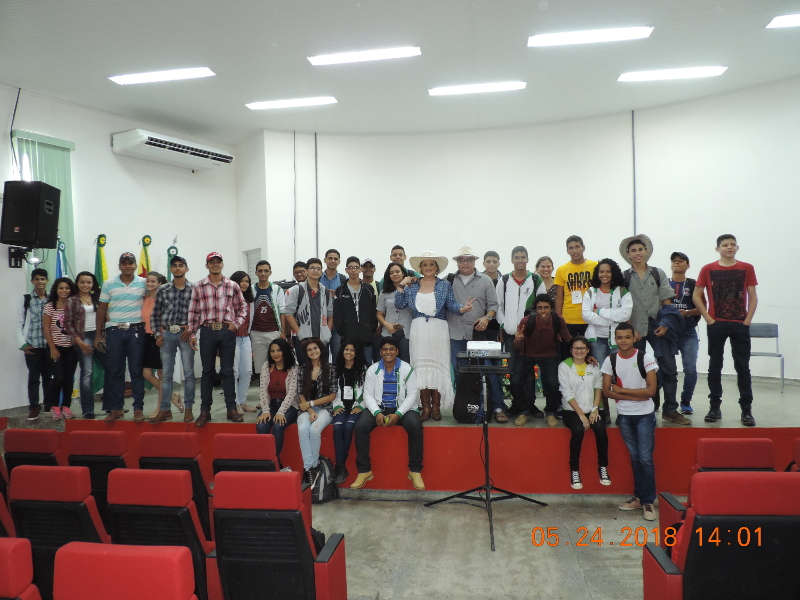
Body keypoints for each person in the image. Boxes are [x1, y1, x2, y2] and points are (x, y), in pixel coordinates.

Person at [395, 251, 474, 421]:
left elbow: (452, 305)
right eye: (425, 264)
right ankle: (426, 407)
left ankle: (436, 406)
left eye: (432, 264)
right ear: (420, 268)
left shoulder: (444, 285)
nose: (428, 267)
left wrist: (463, 308)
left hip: (438, 329)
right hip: (418, 330)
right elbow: (399, 304)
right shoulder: (412, 285)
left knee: (437, 367)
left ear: (437, 268)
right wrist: (402, 285)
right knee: (421, 368)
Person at [619, 235, 690, 426]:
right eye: (633, 250)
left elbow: (667, 303)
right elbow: (622, 306)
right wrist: (629, 329)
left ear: (646, 251)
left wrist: (666, 324)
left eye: (640, 249)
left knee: (669, 369)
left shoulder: (658, 274)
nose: (637, 253)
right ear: (628, 254)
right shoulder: (624, 277)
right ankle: (637, 410)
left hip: (659, 327)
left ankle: (670, 410)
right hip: (635, 329)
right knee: (635, 372)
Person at [693, 234, 758, 427]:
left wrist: (748, 320)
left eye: (732, 244)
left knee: (743, 367)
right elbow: (697, 295)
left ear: (737, 247)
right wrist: (708, 318)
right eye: (725, 245)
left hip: (740, 323)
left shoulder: (747, 268)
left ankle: (746, 410)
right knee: (715, 366)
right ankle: (714, 407)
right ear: (717, 249)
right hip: (717, 324)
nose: (729, 247)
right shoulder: (708, 269)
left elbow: (753, 296)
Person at [351, 336, 424, 490]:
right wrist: (377, 412)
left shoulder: (407, 369)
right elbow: (368, 395)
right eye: (385, 349)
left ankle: (415, 470)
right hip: (379, 407)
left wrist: (398, 414)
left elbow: (412, 395)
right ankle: (364, 471)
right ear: (380, 352)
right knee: (361, 426)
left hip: (403, 408)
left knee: (415, 425)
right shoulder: (373, 369)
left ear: (397, 351)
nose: (388, 352)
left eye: (391, 349)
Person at [602, 323, 658, 522]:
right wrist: (635, 396)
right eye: (619, 337)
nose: (623, 341)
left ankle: (648, 501)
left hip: (645, 415)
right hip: (624, 416)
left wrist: (622, 391)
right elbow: (607, 391)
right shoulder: (610, 360)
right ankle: (639, 498)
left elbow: (651, 391)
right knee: (635, 458)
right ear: (615, 339)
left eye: (627, 337)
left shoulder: (646, 358)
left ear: (635, 337)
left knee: (645, 458)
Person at [187, 252, 248, 427]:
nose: (215, 264)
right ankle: (205, 411)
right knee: (207, 372)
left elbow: (243, 307)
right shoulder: (199, 286)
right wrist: (192, 334)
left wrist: (236, 324)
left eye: (218, 262)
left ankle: (231, 408)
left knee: (228, 371)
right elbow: (193, 311)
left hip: (226, 331)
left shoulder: (232, 285)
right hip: (207, 331)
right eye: (211, 262)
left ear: (222, 264)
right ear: (207, 265)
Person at [446, 247, 501, 420]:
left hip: (477, 335)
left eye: (468, 259)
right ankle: (464, 407)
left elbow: (493, 305)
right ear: (457, 262)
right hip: (455, 334)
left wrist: (487, 318)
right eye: (461, 260)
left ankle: (497, 407)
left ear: (474, 261)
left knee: (487, 370)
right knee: (460, 373)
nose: (465, 263)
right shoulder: (449, 280)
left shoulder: (485, 280)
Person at [95, 252, 147, 423]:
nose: (127, 266)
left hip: (136, 331)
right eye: (124, 263)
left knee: (136, 371)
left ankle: (138, 409)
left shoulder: (144, 283)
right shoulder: (109, 284)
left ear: (135, 265)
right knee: (115, 371)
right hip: (114, 331)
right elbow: (101, 310)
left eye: (130, 263)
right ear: (119, 266)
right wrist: (98, 335)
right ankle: (116, 409)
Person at [582, 259, 633, 423]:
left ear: (614, 273)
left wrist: (600, 311)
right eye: (601, 271)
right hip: (596, 340)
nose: (604, 274)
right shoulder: (591, 292)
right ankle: (604, 412)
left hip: (617, 341)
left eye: (608, 271)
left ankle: (623, 412)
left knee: (620, 377)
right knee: (600, 376)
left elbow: (625, 314)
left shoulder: (622, 291)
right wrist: (611, 319)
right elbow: (586, 315)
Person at [494, 246, 542, 416]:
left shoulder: (535, 280)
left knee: (529, 371)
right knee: (513, 371)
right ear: (512, 260)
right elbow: (497, 305)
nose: (520, 260)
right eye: (516, 257)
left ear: (527, 259)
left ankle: (530, 405)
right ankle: (517, 404)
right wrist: (505, 325)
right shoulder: (505, 280)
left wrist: (531, 327)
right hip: (510, 335)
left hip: (530, 335)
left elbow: (542, 306)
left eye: (523, 257)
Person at [149, 255, 196, 424]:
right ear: (171, 269)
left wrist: (191, 329)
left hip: (185, 334)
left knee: (189, 374)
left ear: (186, 269)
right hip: (167, 334)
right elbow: (155, 314)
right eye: (174, 265)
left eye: (181, 265)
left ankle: (188, 409)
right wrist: (157, 334)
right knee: (166, 374)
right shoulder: (163, 289)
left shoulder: (194, 289)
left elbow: (198, 313)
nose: (177, 268)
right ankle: (164, 410)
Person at [512, 294, 571, 427]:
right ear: (535, 309)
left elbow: (568, 338)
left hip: (549, 354)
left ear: (552, 309)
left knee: (553, 383)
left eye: (546, 307)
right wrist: (518, 340)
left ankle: (550, 412)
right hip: (526, 354)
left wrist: (584, 351)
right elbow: (516, 347)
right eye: (539, 308)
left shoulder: (558, 320)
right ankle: (523, 411)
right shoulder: (526, 321)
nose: (543, 311)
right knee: (515, 382)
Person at [559, 336, 609, 490]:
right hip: (572, 410)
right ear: (570, 350)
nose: (579, 351)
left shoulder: (593, 366)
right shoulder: (564, 366)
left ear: (588, 350)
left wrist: (595, 409)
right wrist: (581, 415)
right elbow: (566, 392)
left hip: (592, 409)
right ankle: (574, 470)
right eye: (575, 348)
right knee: (578, 430)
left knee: (601, 430)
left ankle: (603, 467)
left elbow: (598, 388)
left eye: (582, 348)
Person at [296, 338, 337, 482]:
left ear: (321, 350)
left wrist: (312, 403)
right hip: (306, 409)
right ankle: (309, 468)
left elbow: (332, 395)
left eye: (315, 348)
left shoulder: (330, 369)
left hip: (325, 408)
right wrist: (310, 410)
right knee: (302, 429)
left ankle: (312, 466)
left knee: (314, 430)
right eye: (309, 350)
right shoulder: (302, 369)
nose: (313, 351)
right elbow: (300, 393)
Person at [64, 271, 104, 418]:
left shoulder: (98, 298)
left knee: (111, 369)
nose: (85, 285)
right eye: (82, 282)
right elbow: (68, 324)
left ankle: (111, 406)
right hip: (82, 338)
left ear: (93, 284)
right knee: (87, 373)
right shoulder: (72, 301)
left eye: (88, 282)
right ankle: (88, 409)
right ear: (77, 283)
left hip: (100, 336)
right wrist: (80, 343)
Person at [256, 337, 300, 465]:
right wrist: (265, 410)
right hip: (272, 404)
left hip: (290, 406)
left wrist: (281, 412)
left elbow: (291, 393)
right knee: (261, 425)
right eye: (272, 351)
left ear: (285, 351)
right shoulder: (266, 366)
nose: (275, 354)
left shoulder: (294, 368)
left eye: (279, 350)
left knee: (278, 424)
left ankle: (274, 461)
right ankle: (266, 460)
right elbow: (263, 390)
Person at [284, 257, 334, 367]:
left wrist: (328, 332)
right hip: (303, 339)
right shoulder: (297, 290)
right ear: (306, 271)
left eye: (318, 268)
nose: (315, 271)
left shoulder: (326, 292)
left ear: (321, 272)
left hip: (322, 340)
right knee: (305, 369)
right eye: (312, 268)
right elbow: (289, 313)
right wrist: (299, 332)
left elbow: (331, 314)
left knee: (323, 370)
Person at [669, 252, 702, 415]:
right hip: (669, 333)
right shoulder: (664, 284)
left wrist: (688, 312)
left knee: (690, 369)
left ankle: (686, 401)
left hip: (688, 333)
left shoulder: (693, 284)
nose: (677, 263)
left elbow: (702, 308)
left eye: (681, 261)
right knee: (666, 369)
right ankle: (664, 403)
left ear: (687, 265)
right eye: (674, 261)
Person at [43, 277, 79, 420]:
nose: (64, 291)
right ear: (56, 290)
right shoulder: (50, 306)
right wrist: (52, 348)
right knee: (59, 377)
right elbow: (46, 328)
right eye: (61, 288)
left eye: (67, 288)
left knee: (69, 378)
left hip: (71, 348)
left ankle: (66, 406)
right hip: (55, 347)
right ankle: (54, 406)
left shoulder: (74, 305)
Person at [331, 341, 367, 483]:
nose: (349, 352)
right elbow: (332, 391)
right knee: (338, 426)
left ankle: (340, 464)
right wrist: (335, 406)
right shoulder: (335, 369)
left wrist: (361, 406)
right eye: (346, 349)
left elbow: (368, 391)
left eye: (352, 350)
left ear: (356, 353)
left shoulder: (363, 369)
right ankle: (341, 465)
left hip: (356, 406)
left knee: (349, 426)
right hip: (340, 405)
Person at [19, 268, 52, 420]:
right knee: (33, 378)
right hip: (32, 346)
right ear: (32, 281)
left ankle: (49, 405)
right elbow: (18, 324)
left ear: (47, 281)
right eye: (37, 279)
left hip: (48, 345)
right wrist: (23, 344)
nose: (40, 282)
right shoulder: (26, 300)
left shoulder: (52, 300)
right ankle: (33, 407)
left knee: (48, 377)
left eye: (42, 279)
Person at [333, 257, 378, 364]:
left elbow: (373, 312)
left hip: (366, 338)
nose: (353, 270)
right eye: (350, 267)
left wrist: (371, 330)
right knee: (349, 368)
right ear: (346, 270)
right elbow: (337, 314)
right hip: (348, 339)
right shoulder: (340, 290)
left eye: (356, 267)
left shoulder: (368, 289)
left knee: (367, 367)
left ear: (360, 269)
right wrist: (344, 332)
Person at [555, 236, 598, 339]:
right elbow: (559, 298)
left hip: (591, 317)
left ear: (583, 248)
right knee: (569, 348)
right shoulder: (561, 270)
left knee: (590, 349)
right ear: (567, 251)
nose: (574, 251)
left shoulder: (595, 266)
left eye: (577, 247)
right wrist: (558, 322)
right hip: (569, 319)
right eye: (571, 248)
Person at [481, 251, 507, 420]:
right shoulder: (478, 280)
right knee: (485, 369)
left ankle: (498, 405)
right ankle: (490, 405)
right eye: (488, 261)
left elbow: (504, 308)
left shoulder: (504, 281)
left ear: (499, 263)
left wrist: (502, 330)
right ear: (483, 263)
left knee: (496, 370)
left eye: (494, 261)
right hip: (479, 331)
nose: (491, 264)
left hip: (497, 332)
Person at [142, 271, 170, 420]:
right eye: (148, 281)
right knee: (146, 373)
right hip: (146, 338)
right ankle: (172, 396)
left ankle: (161, 407)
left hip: (160, 337)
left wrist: (162, 335)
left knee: (161, 374)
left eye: (153, 281)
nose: (150, 283)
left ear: (160, 283)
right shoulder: (144, 298)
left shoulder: (163, 299)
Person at [250, 260, 285, 375]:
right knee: (260, 367)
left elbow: (282, 311)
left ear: (270, 272)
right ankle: (263, 387)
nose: (263, 273)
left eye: (266, 271)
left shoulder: (277, 289)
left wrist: (283, 332)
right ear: (256, 273)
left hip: (274, 331)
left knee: (277, 363)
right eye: (260, 271)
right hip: (256, 332)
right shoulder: (251, 289)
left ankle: (276, 386)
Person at [230, 270, 256, 413]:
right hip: (232, 338)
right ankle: (234, 404)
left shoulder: (250, 300)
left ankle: (243, 402)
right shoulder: (228, 299)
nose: (244, 284)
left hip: (246, 337)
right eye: (241, 281)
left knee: (247, 371)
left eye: (247, 281)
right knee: (234, 372)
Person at [377, 263, 412, 363]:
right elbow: (379, 313)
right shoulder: (384, 292)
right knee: (388, 362)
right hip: (388, 333)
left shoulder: (411, 290)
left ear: (403, 273)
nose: (394, 274)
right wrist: (386, 324)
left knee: (405, 363)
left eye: (397, 271)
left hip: (407, 332)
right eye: (391, 273)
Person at [320, 249, 346, 359]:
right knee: (321, 358)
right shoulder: (317, 278)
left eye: (335, 259)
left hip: (337, 324)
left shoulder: (344, 279)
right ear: (325, 260)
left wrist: (338, 295)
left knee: (338, 357)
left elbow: (347, 301)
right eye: (330, 258)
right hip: (320, 323)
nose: (333, 261)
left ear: (339, 262)